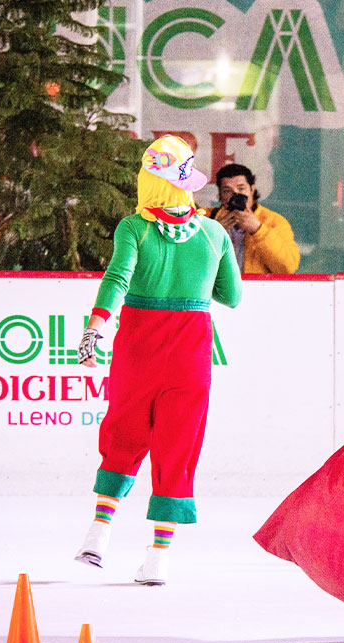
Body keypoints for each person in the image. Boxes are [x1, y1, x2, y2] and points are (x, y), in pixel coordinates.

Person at [73, 134, 242, 585]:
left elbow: (117, 278)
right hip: (190, 353)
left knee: (123, 435)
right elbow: (233, 296)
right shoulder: (213, 233)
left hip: (137, 347)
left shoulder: (134, 228)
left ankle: (98, 534)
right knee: (178, 449)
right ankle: (158, 558)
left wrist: (95, 328)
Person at [203, 163, 300, 274]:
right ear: (220, 195)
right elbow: (187, 263)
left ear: (252, 189)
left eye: (241, 188)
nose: (236, 195)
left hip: (257, 290)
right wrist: (213, 233)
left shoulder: (274, 221)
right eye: (227, 191)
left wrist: (258, 230)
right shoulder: (205, 218)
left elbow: (287, 268)